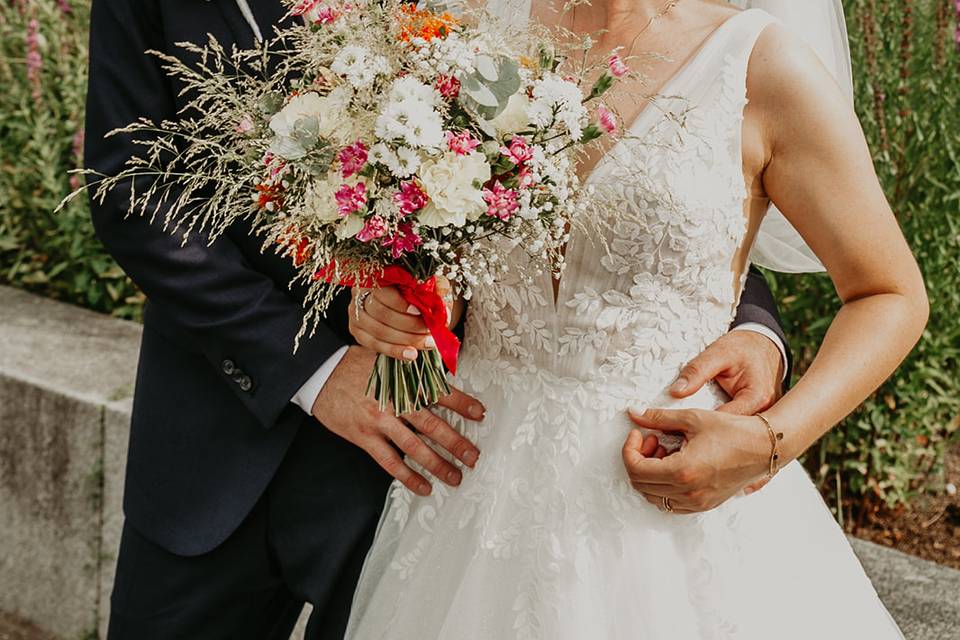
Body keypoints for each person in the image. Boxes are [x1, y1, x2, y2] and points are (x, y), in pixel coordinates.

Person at [84, 0, 791, 637]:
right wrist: (315, 371)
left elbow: (621, 153)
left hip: (439, 459)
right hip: (214, 438)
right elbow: (136, 196)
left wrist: (752, 321)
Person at [344, 0, 927, 638]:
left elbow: (889, 294)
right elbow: (449, 242)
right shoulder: (466, 40)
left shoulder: (762, 65)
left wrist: (768, 444)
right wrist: (397, 300)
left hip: (661, 494)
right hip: (468, 490)